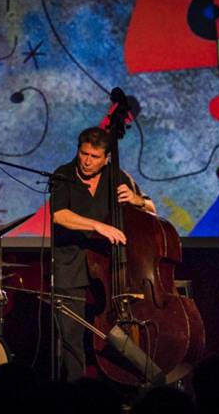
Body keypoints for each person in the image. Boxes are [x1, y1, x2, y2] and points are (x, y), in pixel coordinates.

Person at [51, 127, 156, 382]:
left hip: (110, 267)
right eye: (83, 153)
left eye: (94, 156)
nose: (87, 161)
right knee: (71, 336)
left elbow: (151, 209)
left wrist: (136, 200)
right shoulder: (63, 175)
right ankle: (76, 392)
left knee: (115, 332)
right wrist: (98, 225)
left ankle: (122, 385)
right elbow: (59, 215)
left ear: (106, 157)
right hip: (70, 265)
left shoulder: (116, 175)